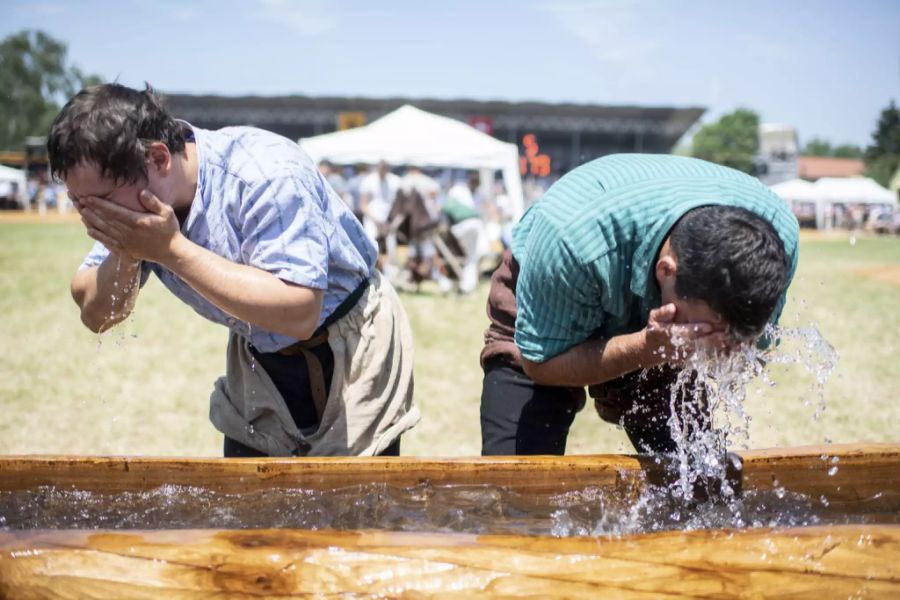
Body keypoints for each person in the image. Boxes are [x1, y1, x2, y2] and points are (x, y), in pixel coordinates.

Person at [49, 83, 419, 457]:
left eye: (101, 202)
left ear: (159, 159)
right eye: (78, 203)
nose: (91, 217)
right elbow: (97, 313)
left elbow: (299, 310)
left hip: (351, 344)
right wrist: (127, 253)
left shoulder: (265, 172)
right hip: (258, 354)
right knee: (247, 502)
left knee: (353, 505)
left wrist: (171, 249)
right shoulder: (137, 206)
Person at [480, 154, 799, 456]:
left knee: (695, 484)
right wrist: (646, 348)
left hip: (650, 295)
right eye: (706, 332)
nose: (720, 346)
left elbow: (756, 344)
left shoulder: (774, 239)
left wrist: (737, 351)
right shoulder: (570, 239)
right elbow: (539, 363)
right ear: (666, 272)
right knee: (517, 489)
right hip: (555, 283)